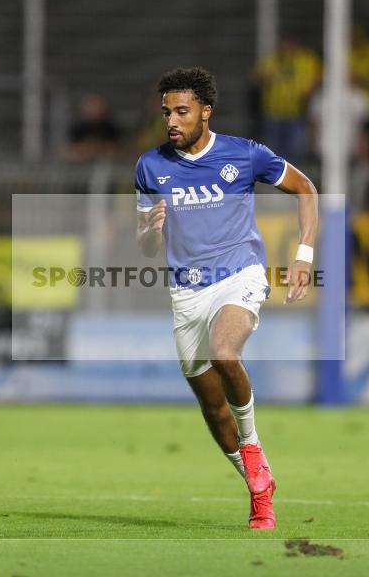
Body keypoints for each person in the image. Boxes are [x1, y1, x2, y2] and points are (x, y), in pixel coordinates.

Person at [135, 68, 318, 530]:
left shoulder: (245, 154)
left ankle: (253, 444)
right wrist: (151, 232)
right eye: (166, 113)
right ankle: (258, 485)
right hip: (186, 292)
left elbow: (306, 189)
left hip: (240, 274)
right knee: (214, 411)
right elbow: (147, 247)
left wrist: (303, 255)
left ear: (205, 111)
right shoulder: (150, 166)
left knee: (224, 351)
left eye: (182, 111)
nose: (172, 121)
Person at [253, 38, 322, 163]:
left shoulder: (306, 59)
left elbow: (318, 78)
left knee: (295, 150)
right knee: (272, 151)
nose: (286, 49)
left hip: (297, 113)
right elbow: (257, 78)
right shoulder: (272, 60)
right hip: (273, 112)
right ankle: (272, 178)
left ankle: (292, 178)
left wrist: (308, 93)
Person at [66, 94, 123, 161]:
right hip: (82, 162)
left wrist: (96, 148)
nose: (95, 111)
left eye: (98, 108)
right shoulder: (78, 127)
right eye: (92, 107)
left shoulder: (111, 128)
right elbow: (71, 147)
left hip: (107, 162)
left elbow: (117, 147)